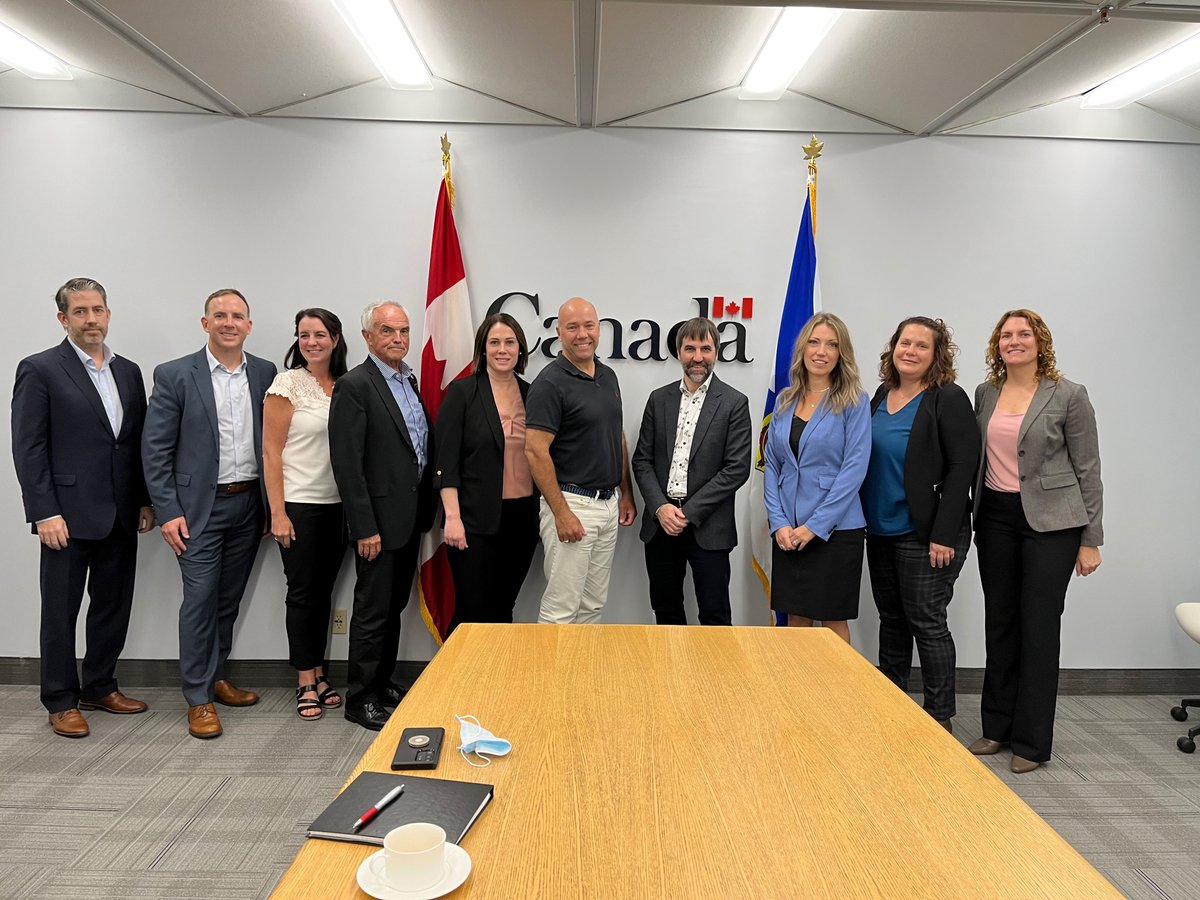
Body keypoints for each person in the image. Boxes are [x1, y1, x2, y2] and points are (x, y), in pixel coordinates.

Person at [12, 277, 155, 738]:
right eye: (80, 311)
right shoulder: (40, 369)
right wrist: (43, 512)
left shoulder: (129, 371)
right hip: (65, 517)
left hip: (119, 511)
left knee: (113, 605)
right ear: (63, 318)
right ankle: (59, 698)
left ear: (108, 314)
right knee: (60, 610)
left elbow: (135, 444)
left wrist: (144, 500)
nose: (91, 319)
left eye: (97, 310)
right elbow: (28, 447)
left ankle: (100, 685)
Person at [969, 309, 1103, 773]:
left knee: (1039, 627)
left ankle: (1031, 742)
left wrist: (1091, 539)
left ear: (1039, 341)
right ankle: (996, 728)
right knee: (1000, 622)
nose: (1014, 341)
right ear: (997, 345)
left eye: (1023, 334)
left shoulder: (1069, 395)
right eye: (1006, 335)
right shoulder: (985, 393)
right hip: (996, 519)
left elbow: (1088, 469)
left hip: (1053, 525)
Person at [142, 288, 277, 739]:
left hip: (247, 507)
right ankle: (197, 698)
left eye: (238, 315)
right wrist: (168, 511)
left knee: (227, 600)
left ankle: (217, 677)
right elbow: (155, 450)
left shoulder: (264, 373)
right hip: (197, 511)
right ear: (205, 323)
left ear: (249, 325)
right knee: (199, 601)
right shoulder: (176, 374)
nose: (228, 323)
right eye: (219, 315)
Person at [861, 317, 979, 731]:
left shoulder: (947, 397)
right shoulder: (881, 394)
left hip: (926, 532)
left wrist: (943, 534)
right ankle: (893, 701)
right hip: (879, 529)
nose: (910, 351)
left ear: (937, 354)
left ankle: (938, 717)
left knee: (926, 622)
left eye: (921, 346)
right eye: (904, 343)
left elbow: (964, 466)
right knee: (891, 620)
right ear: (893, 347)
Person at [329, 301, 434, 731]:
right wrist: (364, 527)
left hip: (409, 517)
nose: (397, 339)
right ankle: (361, 697)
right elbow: (347, 465)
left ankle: (384, 680)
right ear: (368, 337)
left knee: (393, 608)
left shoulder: (408, 380)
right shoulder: (355, 385)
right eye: (387, 331)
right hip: (377, 522)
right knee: (373, 611)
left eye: (404, 331)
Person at [632, 317, 751, 625]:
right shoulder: (659, 399)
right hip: (661, 526)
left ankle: (714, 676)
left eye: (705, 348)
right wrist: (660, 508)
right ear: (678, 351)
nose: (698, 356)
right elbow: (642, 460)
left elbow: (736, 469)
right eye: (690, 348)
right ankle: (672, 674)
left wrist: (687, 512)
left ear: (716, 352)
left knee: (714, 616)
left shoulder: (734, 403)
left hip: (709, 527)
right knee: (666, 611)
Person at [525, 297, 637, 624]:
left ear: (599, 329)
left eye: (588, 325)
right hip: (572, 504)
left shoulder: (608, 375)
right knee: (562, 608)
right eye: (572, 327)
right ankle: (552, 677)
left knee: (592, 605)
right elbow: (535, 450)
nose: (582, 334)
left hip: (607, 504)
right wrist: (561, 512)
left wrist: (625, 492)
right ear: (559, 333)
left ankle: (580, 674)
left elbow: (616, 436)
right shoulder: (549, 383)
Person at [262, 308, 349, 720]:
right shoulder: (287, 383)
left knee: (323, 592)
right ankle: (305, 679)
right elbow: (271, 453)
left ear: (335, 338)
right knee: (302, 594)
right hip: (299, 505)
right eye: (303, 335)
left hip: (338, 506)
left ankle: (320, 671)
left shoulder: (345, 385)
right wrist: (277, 513)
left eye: (319, 334)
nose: (311, 342)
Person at [763, 312, 869, 644]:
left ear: (841, 354)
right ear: (803, 348)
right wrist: (779, 522)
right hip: (788, 529)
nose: (821, 351)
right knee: (796, 615)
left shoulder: (854, 401)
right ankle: (799, 693)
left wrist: (814, 527)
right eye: (814, 342)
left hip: (835, 530)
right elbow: (773, 466)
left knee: (832, 617)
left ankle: (838, 695)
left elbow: (854, 469)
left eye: (831, 344)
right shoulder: (784, 401)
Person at [434, 314, 539, 632]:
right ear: (483, 348)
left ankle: (496, 681)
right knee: (472, 610)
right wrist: (452, 518)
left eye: (510, 342)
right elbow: (445, 462)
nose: (502, 349)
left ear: (520, 349)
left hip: (522, 520)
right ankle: (456, 681)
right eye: (494, 342)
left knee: (503, 607)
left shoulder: (532, 392)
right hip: (473, 521)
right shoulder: (462, 393)